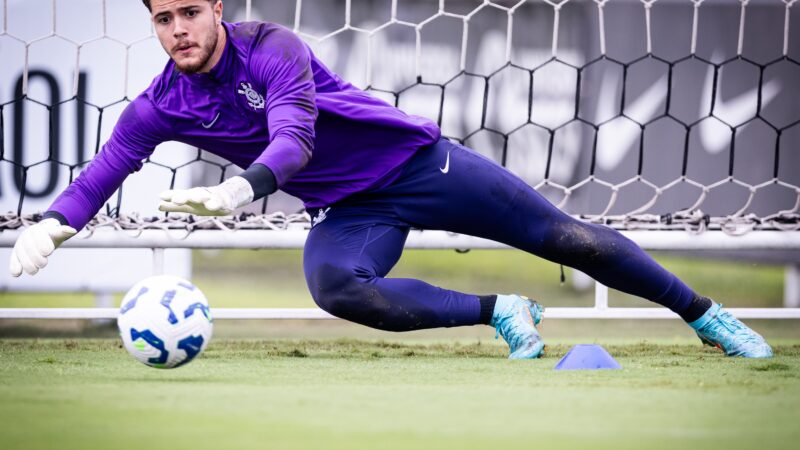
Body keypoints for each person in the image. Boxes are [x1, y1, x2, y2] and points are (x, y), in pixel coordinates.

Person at [8, 0, 773, 359]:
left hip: (418, 164)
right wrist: (50, 225)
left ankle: (706, 316)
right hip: (348, 207)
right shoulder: (159, 104)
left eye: (188, 12)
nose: (178, 30)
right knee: (337, 286)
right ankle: (501, 310)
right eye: (162, 18)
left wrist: (242, 189)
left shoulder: (272, 44)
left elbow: (294, 141)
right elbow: (104, 171)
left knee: (567, 239)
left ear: (216, 8)